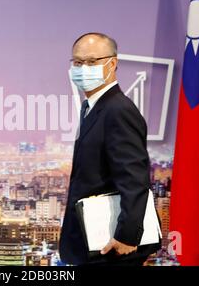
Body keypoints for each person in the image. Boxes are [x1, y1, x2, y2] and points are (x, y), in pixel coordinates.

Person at [59, 32, 160, 266]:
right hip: (91, 241)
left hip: (111, 246)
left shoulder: (118, 110)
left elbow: (134, 178)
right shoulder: (91, 107)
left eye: (92, 62)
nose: (83, 68)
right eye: (77, 62)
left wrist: (127, 235)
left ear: (112, 63)